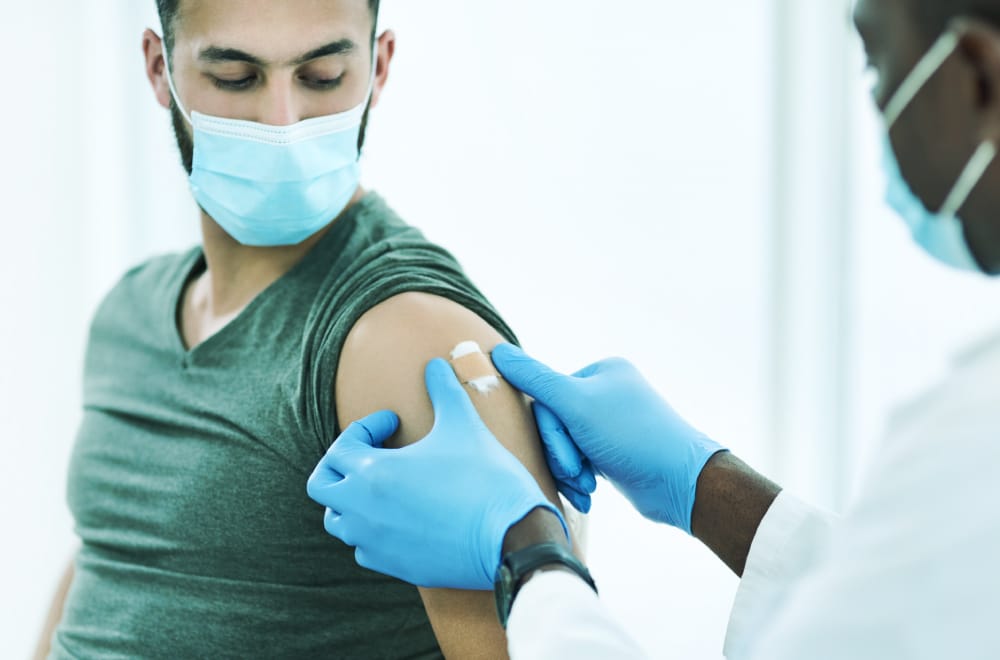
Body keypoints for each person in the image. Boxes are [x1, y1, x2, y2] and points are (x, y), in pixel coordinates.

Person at [307, 0, 1000, 657]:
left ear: (978, 75)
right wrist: (707, 485)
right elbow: (899, 621)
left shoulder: (971, 439)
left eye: (879, 69)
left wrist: (529, 547)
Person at [34, 1, 576, 658]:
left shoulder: (401, 333)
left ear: (377, 68)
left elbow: (540, 632)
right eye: (236, 77)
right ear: (158, 69)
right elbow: (114, 563)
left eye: (321, 75)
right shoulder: (131, 310)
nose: (282, 123)